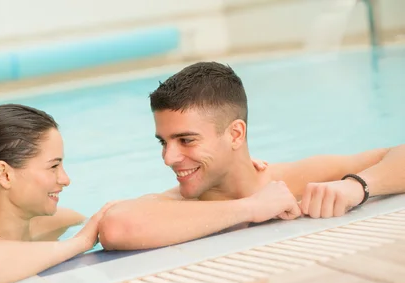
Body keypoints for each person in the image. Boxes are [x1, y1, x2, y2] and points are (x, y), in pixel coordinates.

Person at [98, 61, 405, 251]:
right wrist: (250, 208)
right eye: (163, 142)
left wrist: (357, 186)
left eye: (185, 140)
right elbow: (115, 227)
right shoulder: (179, 207)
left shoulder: (290, 178)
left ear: (235, 134)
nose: (168, 158)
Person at [0, 104, 115, 283]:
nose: (65, 180)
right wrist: (79, 243)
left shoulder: (62, 221)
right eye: (53, 166)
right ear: (5, 175)